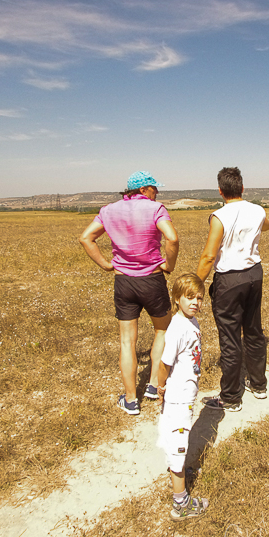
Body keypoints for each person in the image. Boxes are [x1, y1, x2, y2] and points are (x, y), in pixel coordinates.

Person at [79, 171, 179, 415]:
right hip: (152, 279)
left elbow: (86, 238)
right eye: (154, 188)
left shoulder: (108, 210)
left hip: (123, 281)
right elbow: (172, 238)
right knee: (162, 330)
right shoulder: (156, 209)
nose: (157, 192)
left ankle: (131, 399)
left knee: (127, 341)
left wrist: (105, 265)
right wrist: (169, 265)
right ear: (143, 189)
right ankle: (154, 385)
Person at [196, 167, 269, 412]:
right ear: (242, 188)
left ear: (220, 191)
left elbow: (209, 255)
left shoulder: (219, 216)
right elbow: (266, 226)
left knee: (230, 337)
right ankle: (259, 385)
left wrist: (196, 284)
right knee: (253, 329)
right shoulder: (258, 210)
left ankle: (230, 397)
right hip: (254, 275)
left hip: (229, 279)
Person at [155, 273, 209, 520]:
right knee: (178, 446)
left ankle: (178, 473)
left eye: (199, 298)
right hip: (178, 398)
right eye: (189, 297)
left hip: (185, 396)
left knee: (178, 440)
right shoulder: (177, 328)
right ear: (177, 299)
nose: (195, 302)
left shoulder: (191, 321)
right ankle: (181, 504)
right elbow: (164, 363)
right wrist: (161, 386)